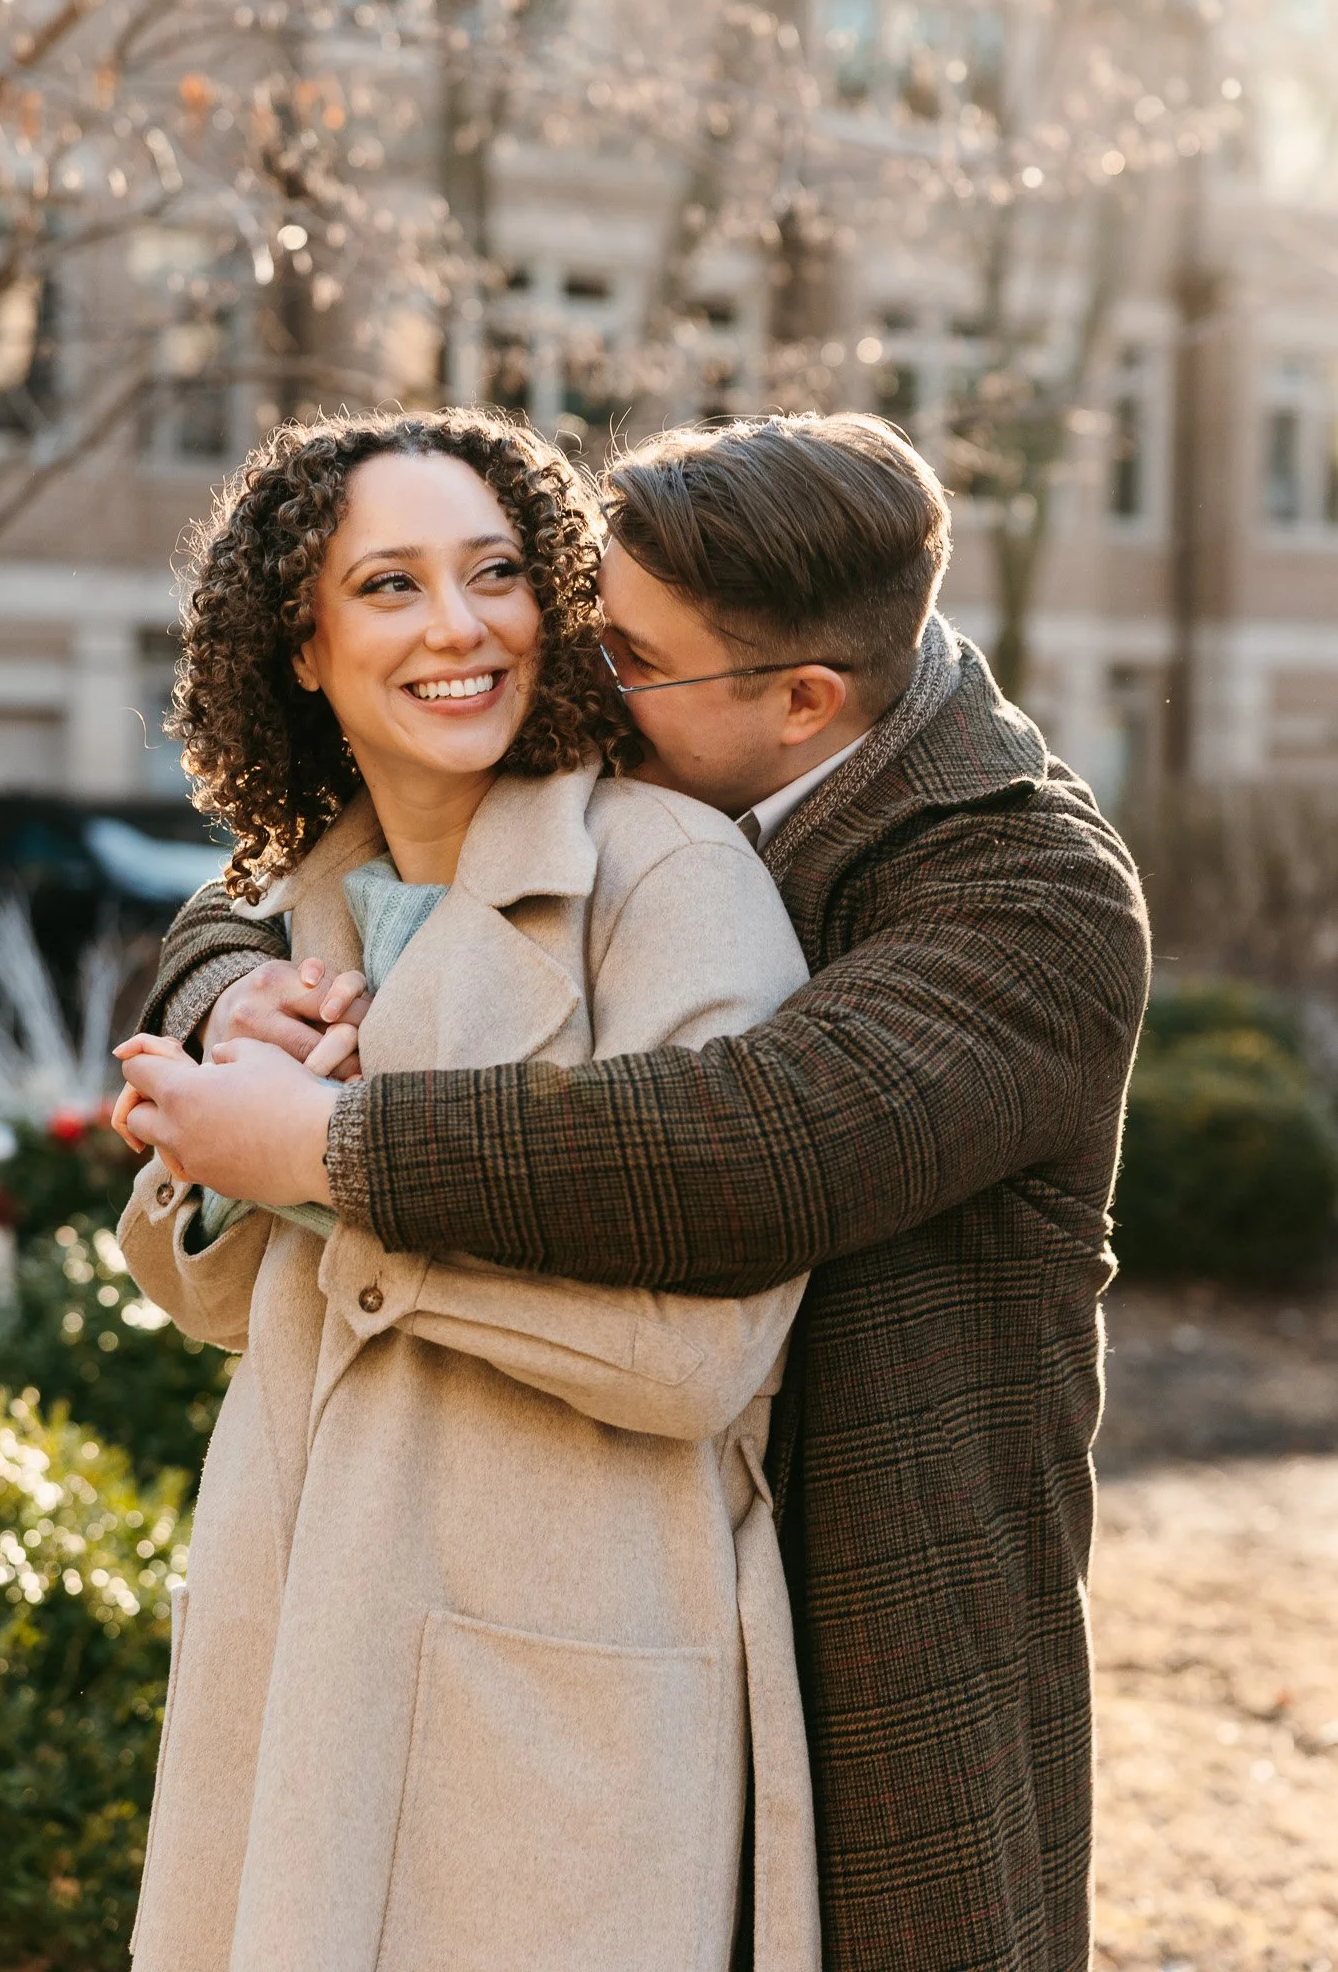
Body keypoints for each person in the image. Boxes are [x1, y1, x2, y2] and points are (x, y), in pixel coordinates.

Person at [122, 411, 1153, 1972]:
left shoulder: (1023, 893)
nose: (566, 668)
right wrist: (221, 993)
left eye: (626, 655)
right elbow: (302, 853)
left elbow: (745, 1145)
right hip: (554, 1576)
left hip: (875, 1581)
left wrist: (322, 1155)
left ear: (802, 702)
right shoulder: (659, 737)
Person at [112, 408, 822, 1972]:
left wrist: (318, 1180)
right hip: (296, 1655)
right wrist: (206, 1135)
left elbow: (703, 1353)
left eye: (495, 572)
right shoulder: (298, 909)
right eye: (390, 586)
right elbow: (214, 1298)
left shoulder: (670, 880)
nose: (460, 627)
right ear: (298, 646)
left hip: (559, 1692)